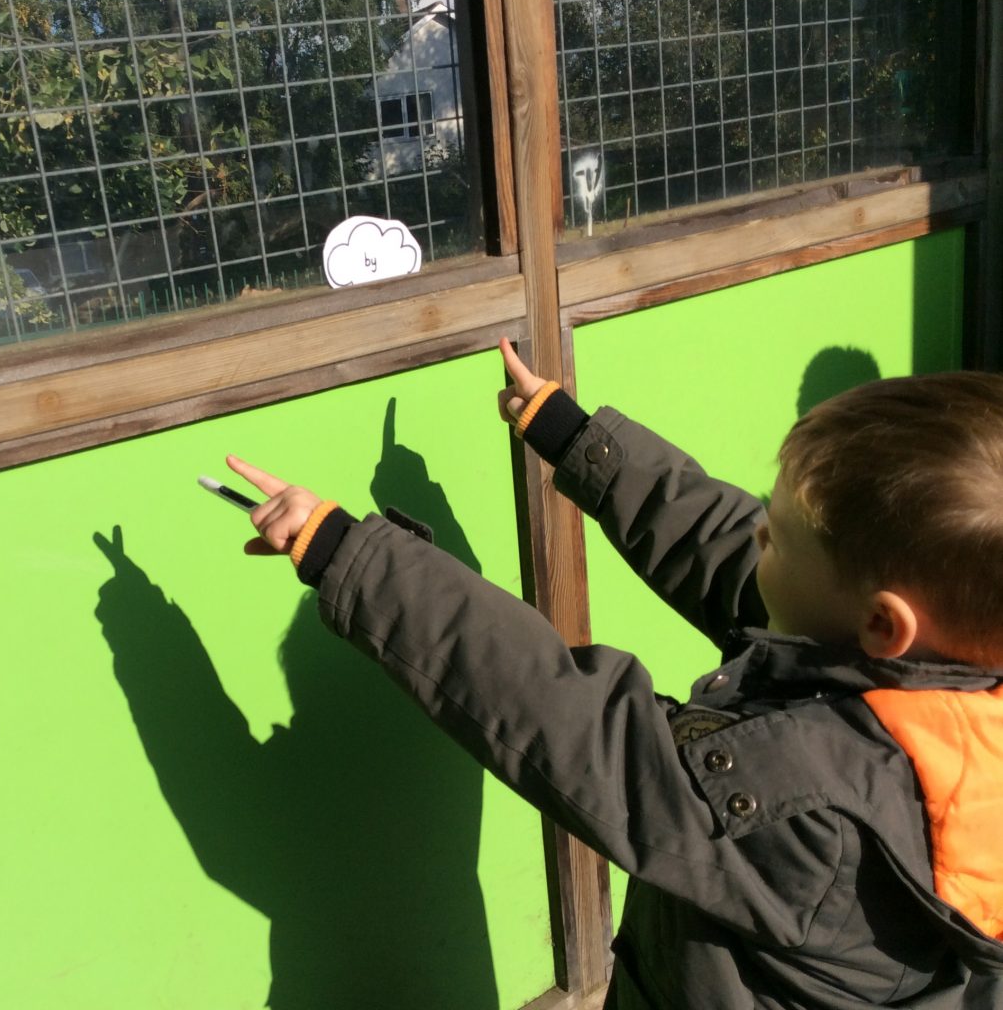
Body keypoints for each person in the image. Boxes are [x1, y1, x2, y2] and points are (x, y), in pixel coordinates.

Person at [219, 338, 1003, 1008]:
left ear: (883, 626)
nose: (758, 530)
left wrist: (349, 557)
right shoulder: (949, 677)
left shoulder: (807, 809)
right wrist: (576, 440)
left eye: (781, 535)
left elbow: (567, 722)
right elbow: (725, 554)